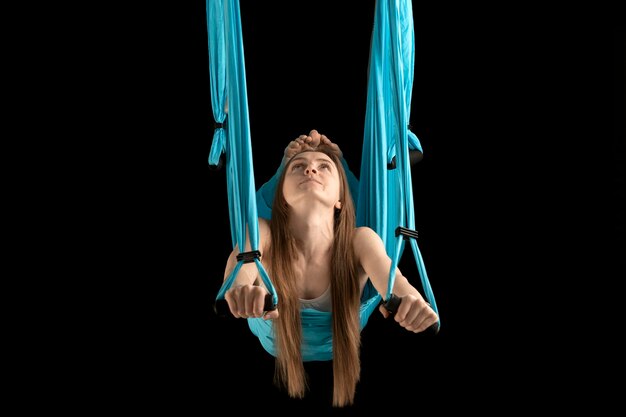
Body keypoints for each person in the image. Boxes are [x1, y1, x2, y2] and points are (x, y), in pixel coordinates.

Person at [220, 129, 438, 408]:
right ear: (281, 196)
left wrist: (413, 301)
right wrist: (239, 288)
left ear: (340, 198)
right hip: (276, 340)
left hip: (338, 341)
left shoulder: (360, 240)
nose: (310, 168)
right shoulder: (263, 233)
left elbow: (394, 280)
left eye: (325, 167)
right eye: (298, 167)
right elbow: (242, 265)